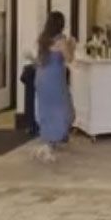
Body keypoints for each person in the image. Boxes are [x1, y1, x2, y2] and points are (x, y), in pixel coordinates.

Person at [34, 11, 76, 163]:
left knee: (47, 109)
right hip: (55, 78)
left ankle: (49, 140)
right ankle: (49, 144)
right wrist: (72, 44)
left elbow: (39, 58)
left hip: (42, 76)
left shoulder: (43, 39)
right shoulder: (60, 40)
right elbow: (69, 58)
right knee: (62, 109)